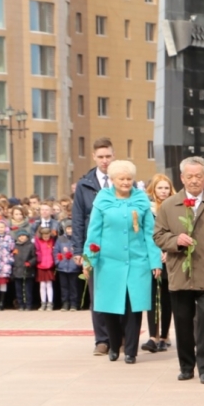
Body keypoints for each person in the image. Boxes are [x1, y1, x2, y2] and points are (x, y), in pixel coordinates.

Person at [154, 156, 204, 384]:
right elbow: (158, 236)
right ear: (181, 178)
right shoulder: (170, 205)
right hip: (180, 272)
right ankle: (186, 366)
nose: (194, 181)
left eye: (198, 176)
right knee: (182, 322)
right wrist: (175, 240)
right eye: (189, 176)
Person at [84, 160, 163, 363]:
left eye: (129, 179)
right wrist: (89, 260)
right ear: (112, 180)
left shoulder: (141, 200)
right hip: (108, 262)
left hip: (137, 262)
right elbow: (94, 232)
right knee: (110, 306)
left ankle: (130, 351)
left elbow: (149, 233)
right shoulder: (102, 200)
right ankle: (113, 344)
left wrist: (155, 262)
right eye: (122, 179)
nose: (126, 182)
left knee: (133, 307)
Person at [72, 138, 115, 354]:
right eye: (101, 157)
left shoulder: (122, 180)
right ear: (94, 157)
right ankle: (102, 339)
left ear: (113, 156)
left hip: (118, 245)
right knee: (96, 293)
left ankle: (121, 336)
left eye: (108, 156)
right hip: (93, 246)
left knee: (119, 292)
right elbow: (78, 218)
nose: (105, 160)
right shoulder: (84, 184)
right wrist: (78, 250)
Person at [142, 174, 175, 353]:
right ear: (153, 190)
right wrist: (156, 254)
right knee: (152, 296)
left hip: (170, 258)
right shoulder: (147, 209)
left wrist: (168, 251)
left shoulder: (174, 207)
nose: (163, 191)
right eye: (160, 188)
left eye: (166, 188)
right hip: (151, 258)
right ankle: (152, 336)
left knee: (167, 298)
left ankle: (164, 335)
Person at [53, 224, 82, 311]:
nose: (70, 231)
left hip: (74, 267)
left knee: (74, 287)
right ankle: (65, 303)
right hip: (62, 267)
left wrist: (77, 262)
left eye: (71, 229)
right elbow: (56, 252)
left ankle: (74, 304)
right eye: (68, 229)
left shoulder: (77, 239)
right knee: (64, 287)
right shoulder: (60, 239)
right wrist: (58, 262)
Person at [11, 230, 36, 310]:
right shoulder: (15, 246)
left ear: (27, 237)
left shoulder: (31, 246)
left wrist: (30, 263)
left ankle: (28, 304)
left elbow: (35, 257)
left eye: (23, 235)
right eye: (20, 236)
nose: (21, 237)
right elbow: (12, 257)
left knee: (27, 289)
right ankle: (20, 304)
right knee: (18, 290)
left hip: (27, 271)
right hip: (17, 270)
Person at [34, 226, 56, 310]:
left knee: (49, 284)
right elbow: (37, 250)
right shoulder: (38, 241)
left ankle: (50, 303)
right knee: (42, 285)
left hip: (49, 265)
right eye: (44, 236)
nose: (46, 237)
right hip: (41, 265)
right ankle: (43, 303)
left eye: (48, 236)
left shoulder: (52, 241)